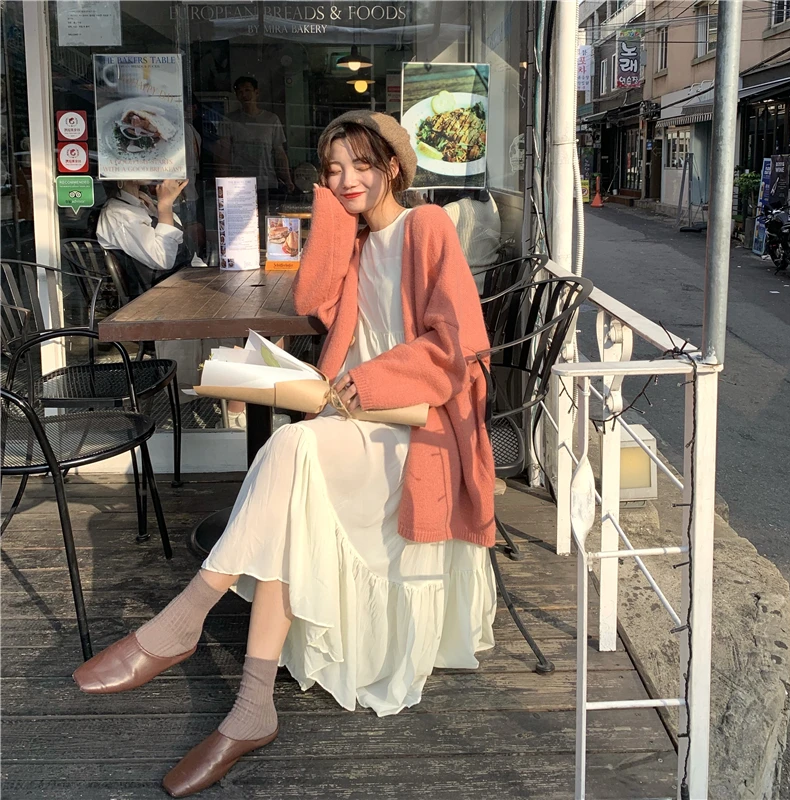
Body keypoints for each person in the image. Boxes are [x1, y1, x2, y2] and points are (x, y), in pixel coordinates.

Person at [73, 111, 497, 797]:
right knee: (292, 473)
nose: (347, 179)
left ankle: (184, 621)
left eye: (362, 164)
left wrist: (373, 380)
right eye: (333, 170)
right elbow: (312, 297)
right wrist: (331, 212)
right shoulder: (358, 239)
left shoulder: (427, 227)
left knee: (290, 445)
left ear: (394, 166)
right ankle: (252, 705)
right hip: (352, 419)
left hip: (412, 426)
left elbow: (459, 346)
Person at [97, 180, 245, 424]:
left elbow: (184, 254)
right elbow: (162, 258)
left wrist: (210, 278)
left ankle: (237, 398)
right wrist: (165, 207)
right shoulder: (117, 213)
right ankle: (235, 409)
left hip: (181, 291)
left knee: (240, 304)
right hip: (155, 304)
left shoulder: (142, 203)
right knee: (237, 318)